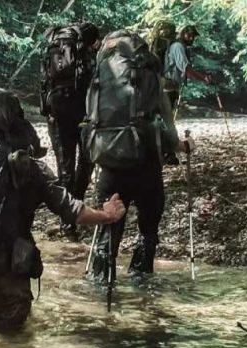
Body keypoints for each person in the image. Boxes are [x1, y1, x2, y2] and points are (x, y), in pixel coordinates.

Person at [0, 87, 126, 332]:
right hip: (6, 277)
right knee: (14, 347)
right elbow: (72, 211)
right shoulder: (25, 164)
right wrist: (107, 215)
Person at [86, 31, 188, 281]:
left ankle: (101, 282)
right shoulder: (148, 71)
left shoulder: (102, 74)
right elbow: (163, 119)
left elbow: (91, 119)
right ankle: (142, 284)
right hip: (145, 165)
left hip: (109, 163)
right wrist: (179, 146)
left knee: (108, 227)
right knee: (148, 228)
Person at [41, 22, 101, 239]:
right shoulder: (85, 56)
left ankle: (69, 220)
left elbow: (45, 84)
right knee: (86, 162)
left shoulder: (53, 52)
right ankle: (74, 212)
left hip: (56, 115)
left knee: (65, 167)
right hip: (82, 115)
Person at [163, 25, 213, 110]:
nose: (191, 38)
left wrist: (203, 78)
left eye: (193, 36)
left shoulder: (182, 47)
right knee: (166, 119)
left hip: (173, 88)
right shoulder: (177, 47)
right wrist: (203, 78)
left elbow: (189, 74)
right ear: (183, 34)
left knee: (168, 118)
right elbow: (187, 70)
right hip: (167, 89)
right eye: (189, 35)